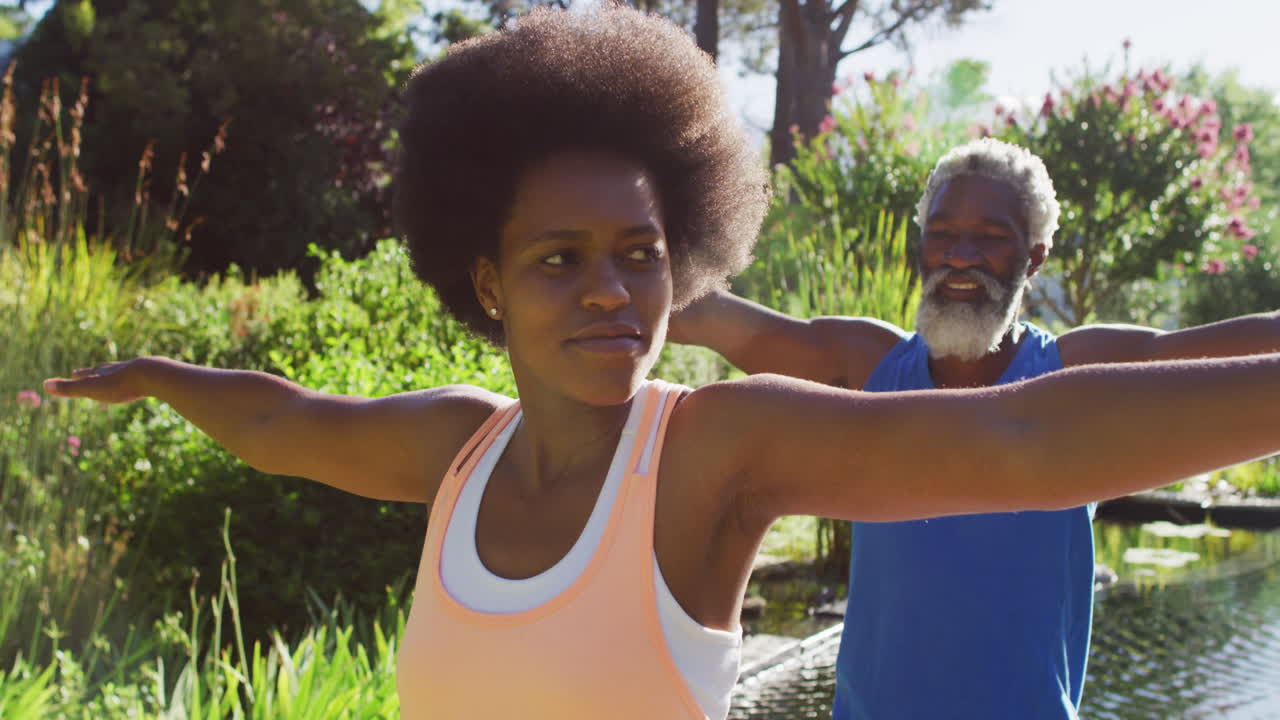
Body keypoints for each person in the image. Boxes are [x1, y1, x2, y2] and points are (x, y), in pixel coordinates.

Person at [43, 9, 1280, 720]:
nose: (607, 289)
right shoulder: (454, 446)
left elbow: (1023, 441)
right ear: (485, 281)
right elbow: (296, 421)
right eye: (556, 259)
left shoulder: (710, 451)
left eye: (640, 254)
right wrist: (161, 378)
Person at [669, 137, 1280, 719]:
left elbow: (1219, 351)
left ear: (1034, 255)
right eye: (942, 236)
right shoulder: (865, 362)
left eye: (989, 239)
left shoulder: (1072, 374)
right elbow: (716, 319)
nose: (960, 257)